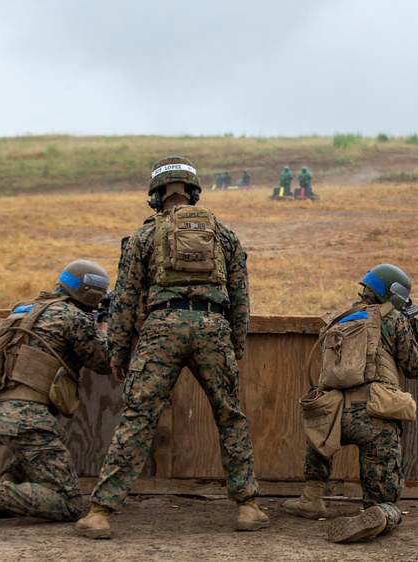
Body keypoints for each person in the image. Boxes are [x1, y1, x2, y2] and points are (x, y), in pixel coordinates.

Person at [76, 156, 266, 539]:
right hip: (213, 328)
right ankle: (247, 506)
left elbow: (125, 301)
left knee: (138, 419)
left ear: (155, 195)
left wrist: (118, 354)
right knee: (230, 417)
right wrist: (235, 345)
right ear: (193, 192)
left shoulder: (144, 237)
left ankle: (100, 512)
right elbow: (242, 298)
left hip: (161, 329)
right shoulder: (224, 234)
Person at [0, 261, 113, 528]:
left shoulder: (24, 309)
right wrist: (103, 327)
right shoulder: (73, 317)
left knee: (54, 439)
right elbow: (103, 361)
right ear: (91, 294)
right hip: (27, 417)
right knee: (68, 504)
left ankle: (8, 489)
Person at [283, 264, 418, 543]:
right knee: (385, 499)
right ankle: (381, 513)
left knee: (318, 436)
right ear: (395, 295)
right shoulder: (394, 319)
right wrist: (411, 322)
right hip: (376, 415)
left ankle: (312, 497)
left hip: (334, 413)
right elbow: (416, 367)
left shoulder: (340, 319)